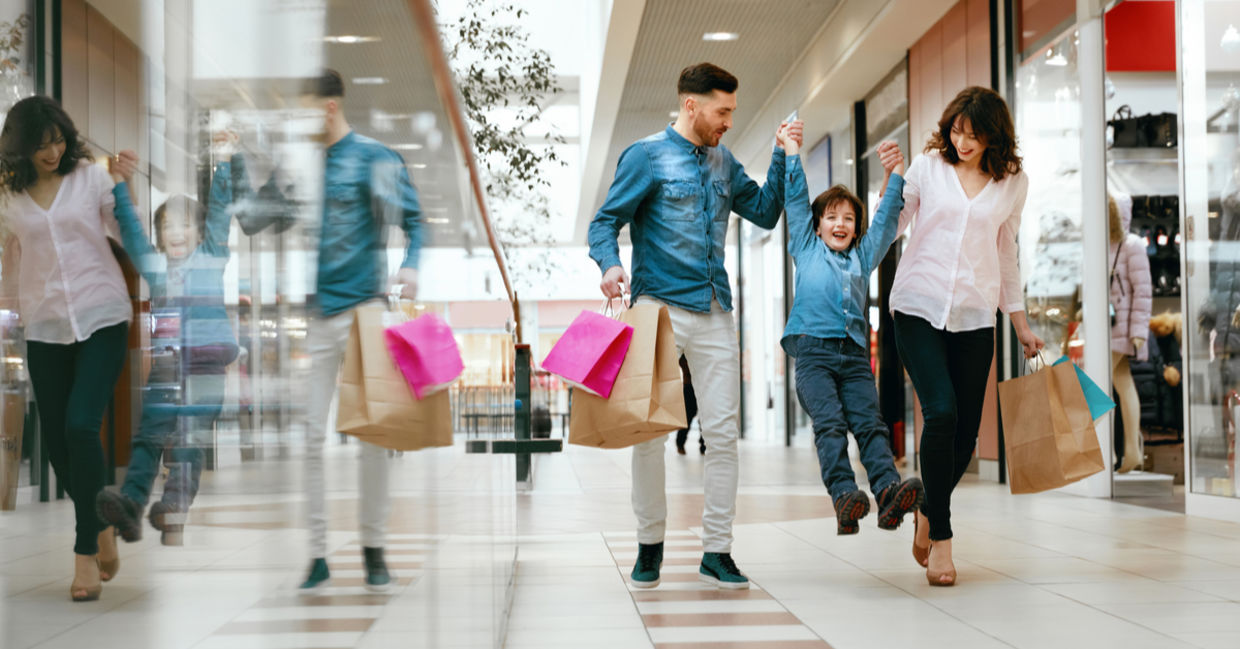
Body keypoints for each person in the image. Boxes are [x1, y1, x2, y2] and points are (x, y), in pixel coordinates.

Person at [588, 62, 801, 590]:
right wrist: (610, 264)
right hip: (657, 309)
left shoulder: (725, 162)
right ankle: (649, 545)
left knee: (723, 435)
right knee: (649, 435)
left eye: (732, 111)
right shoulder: (646, 156)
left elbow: (767, 212)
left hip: (714, 310)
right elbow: (603, 222)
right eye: (722, 111)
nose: (728, 120)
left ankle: (718, 551)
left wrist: (779, 153)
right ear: (691, 105)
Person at [890, 86, 1043, 587]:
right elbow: (892, 226)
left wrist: (1020, 323)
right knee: (942, 413)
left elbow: (1006, 253)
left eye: (973, 135)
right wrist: (891, 185)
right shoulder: (928, 166)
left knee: (967, 436)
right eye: (956, 129)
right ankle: (943, 540)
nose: (962, 141)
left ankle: (927, 505)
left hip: (976, 313)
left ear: (993, 136)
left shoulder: (1012, 182)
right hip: (917, 305)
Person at [0, 96, 133, 601]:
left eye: (57, 139)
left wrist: (125, 190)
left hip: (102, 316)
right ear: (21, 147)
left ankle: (83, 555)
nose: (52, 151)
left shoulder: (90, 178)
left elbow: (123, 230)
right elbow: (11, 265)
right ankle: (99, 521)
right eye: (40, 145)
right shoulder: (9, 197)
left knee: (81, 425)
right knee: (56, 445)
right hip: (44, 326)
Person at [298, 69, 423, 593]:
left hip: (365, 313)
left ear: (328, 107)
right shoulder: (300, 168)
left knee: (372, 436)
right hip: (319, 315)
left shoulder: (373, 157)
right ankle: (317, 554)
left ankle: (374, 549)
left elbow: (415, 220)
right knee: (309, 436)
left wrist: (411, 265)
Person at [95, 131, 243, 545]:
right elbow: (132, 234)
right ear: (160, 237)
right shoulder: (156, 269)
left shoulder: (211, 258)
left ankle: (174, 505)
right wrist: (120, 186)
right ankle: (131, 503)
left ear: (199, 234)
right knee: (149, 434)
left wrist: (224, 161)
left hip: (207, 364)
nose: (176, 232)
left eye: (185, 225)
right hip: (166, 364)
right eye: (167, 226)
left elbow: (220, 213)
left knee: (190, 437)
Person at [780, 132, 925, 535]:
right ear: (817, 225)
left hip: (856, 359)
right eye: (831, 216)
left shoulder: (863, 254)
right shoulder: (806, 248)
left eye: (848, 218)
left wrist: (895, 172)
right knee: (829, 425)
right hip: (813, 356)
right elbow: (795, 200)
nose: (840, 223)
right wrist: (793, 149)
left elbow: (884, 221)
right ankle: (845, 496)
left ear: (856, 226)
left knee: (870, 425)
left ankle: (889, 493)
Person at [1107, 193, 1152, 473]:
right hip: (1106, 327)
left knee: (1095, 386)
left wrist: (1138, 332)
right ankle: (1130, 451)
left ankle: (1107, 453)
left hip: (1120, 330)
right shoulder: (1103, 244)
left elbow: (1143, 291)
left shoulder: (1131, 245)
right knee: (1122, 384)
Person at [674, 354, 703, 455]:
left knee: (705, 416)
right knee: (688, 416)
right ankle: (680, 443)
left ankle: (704, 446)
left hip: (703, 385)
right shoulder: (684, 353)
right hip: (689, 385)